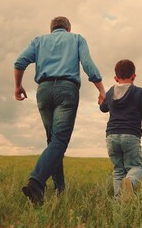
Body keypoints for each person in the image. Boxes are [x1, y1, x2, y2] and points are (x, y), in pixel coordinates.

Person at [13, 16, 106, 205]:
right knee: (60, 140)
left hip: (44, 91)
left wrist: (18, 86)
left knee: (53, 141)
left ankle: (60, 189)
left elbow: (19, 62)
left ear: (51, 29)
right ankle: (36, 182)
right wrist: (101, 89)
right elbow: (88, 64)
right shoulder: (77, 39)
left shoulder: (39, 41)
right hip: (67, 90)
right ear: (69, 28)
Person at [99, 59, 142, 200]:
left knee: (118, 171)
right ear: (134, 76)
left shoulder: (110, 92)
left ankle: (119, 201)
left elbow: (103, 108)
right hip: (130, 135)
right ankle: (130, 182)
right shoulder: (138, 92)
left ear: (116, 78)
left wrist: (102, 100)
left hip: (111, 136)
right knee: (136, 168)